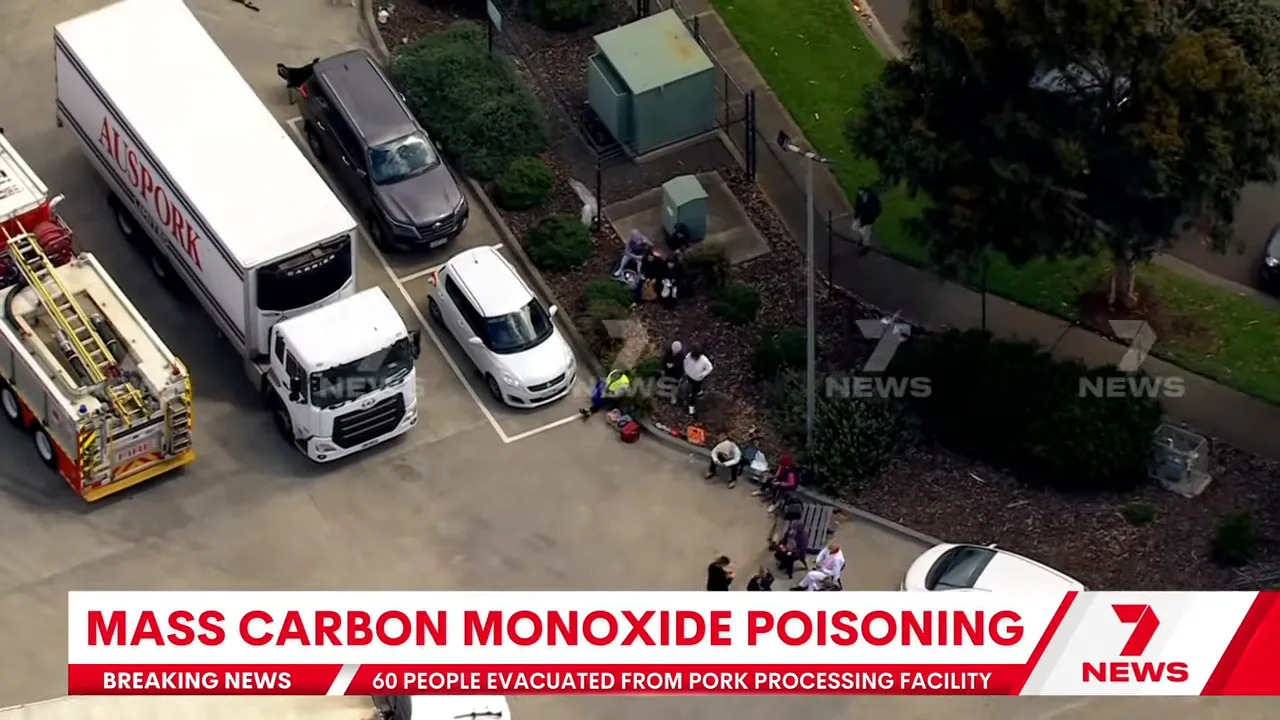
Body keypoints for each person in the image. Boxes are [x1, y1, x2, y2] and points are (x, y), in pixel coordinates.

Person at [682, 347, 713, 416]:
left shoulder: (704, 360)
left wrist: (702, 374)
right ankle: (691, 406)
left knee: (694, 390)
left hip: (697, 378)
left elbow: (710, 368)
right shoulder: (689, 356)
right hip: (690, 376)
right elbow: (685, 362)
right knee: (691, 391)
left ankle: (692, 407)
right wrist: (686, 370)